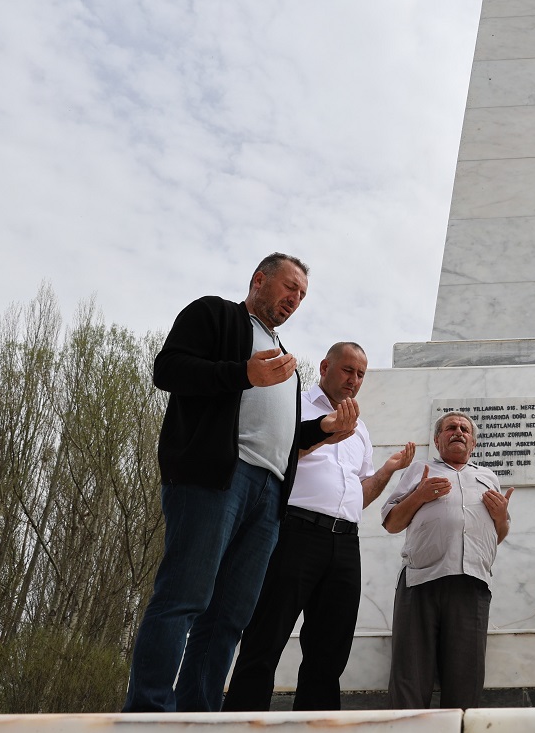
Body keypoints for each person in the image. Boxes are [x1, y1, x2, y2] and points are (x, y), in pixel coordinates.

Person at [122, 253, 359, 713]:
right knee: (184, 597)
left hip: (269, 497)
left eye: (302, 296)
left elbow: (285, 437)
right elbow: (166, 370)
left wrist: (324, 430)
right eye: (290, 287)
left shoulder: (285, 360)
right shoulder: (215, 314)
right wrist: (243, 373)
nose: (295, 299)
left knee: (230, 617)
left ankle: (200, 715)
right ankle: (148, 713)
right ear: (259, 279)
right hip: (217, 480)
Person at [223, 342, 414, 711]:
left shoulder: (361, 430)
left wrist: (388, 470)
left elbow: (360, 493)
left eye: (360, 374)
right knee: (266, 637)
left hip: (345, 544)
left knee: (330, 651)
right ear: (325, 366)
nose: (354, 380)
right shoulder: (294, 405)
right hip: (294, 533)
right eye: (347, 370)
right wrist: (326, 430)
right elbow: (279, 454)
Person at [380, 412, 513, 709]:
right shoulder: (419, 470)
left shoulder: (488, 477)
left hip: (471, 583)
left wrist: (501, 516)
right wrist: (419, 496)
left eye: (464, 429)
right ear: (438, 439)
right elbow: (391, 523)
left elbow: (496, 534)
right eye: (450, 428)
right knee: (410, 675)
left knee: (465, 678)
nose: (458, 432)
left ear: (473, 442)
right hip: (421, 580)